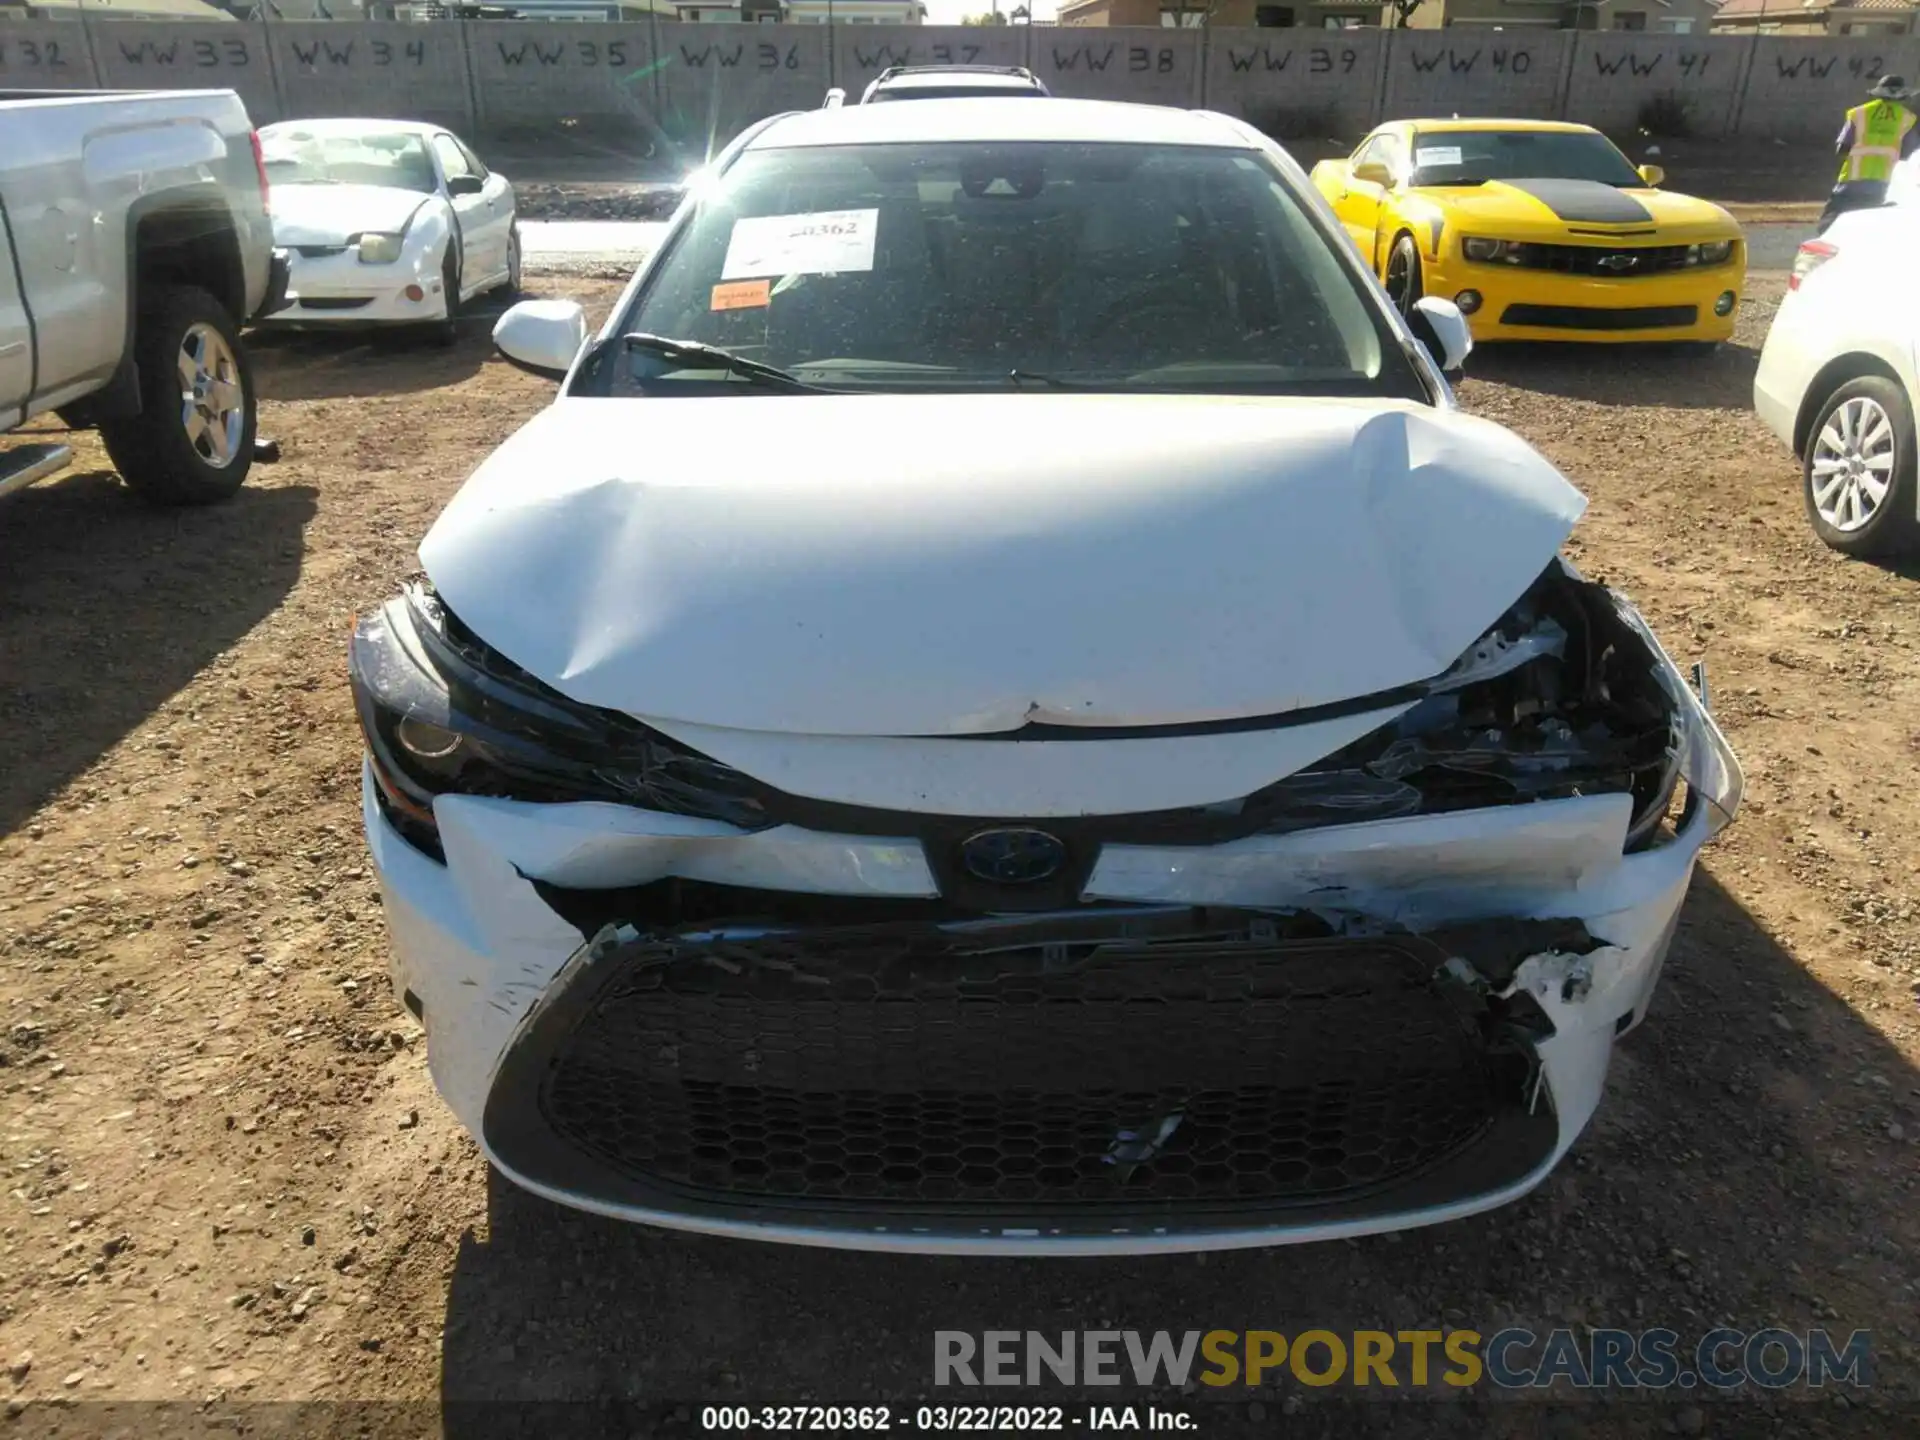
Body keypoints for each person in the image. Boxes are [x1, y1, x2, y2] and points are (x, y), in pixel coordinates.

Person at [1819, 76, 1920, 234]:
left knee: (1830, 228)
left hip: (1850, 182)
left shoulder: (1858, 113)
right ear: (1903, 95)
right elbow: (1910, 155)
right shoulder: (1908, 119)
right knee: (1871, 232)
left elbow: (1842, 148)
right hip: (1883, 185)